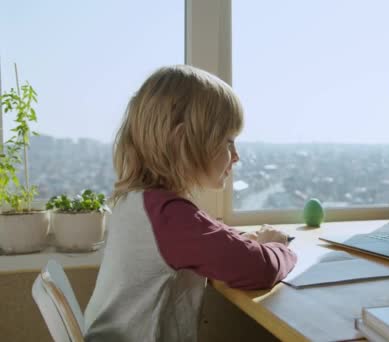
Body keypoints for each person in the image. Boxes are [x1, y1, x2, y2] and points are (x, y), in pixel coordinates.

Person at [84, 65, 297, 341]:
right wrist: (278, 245)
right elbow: (261, 269)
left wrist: (241, 239)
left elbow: (203, 237)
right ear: (184, 141)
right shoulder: (171, 217)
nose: (236, 156)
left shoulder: (138, 202)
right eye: (228, 141)